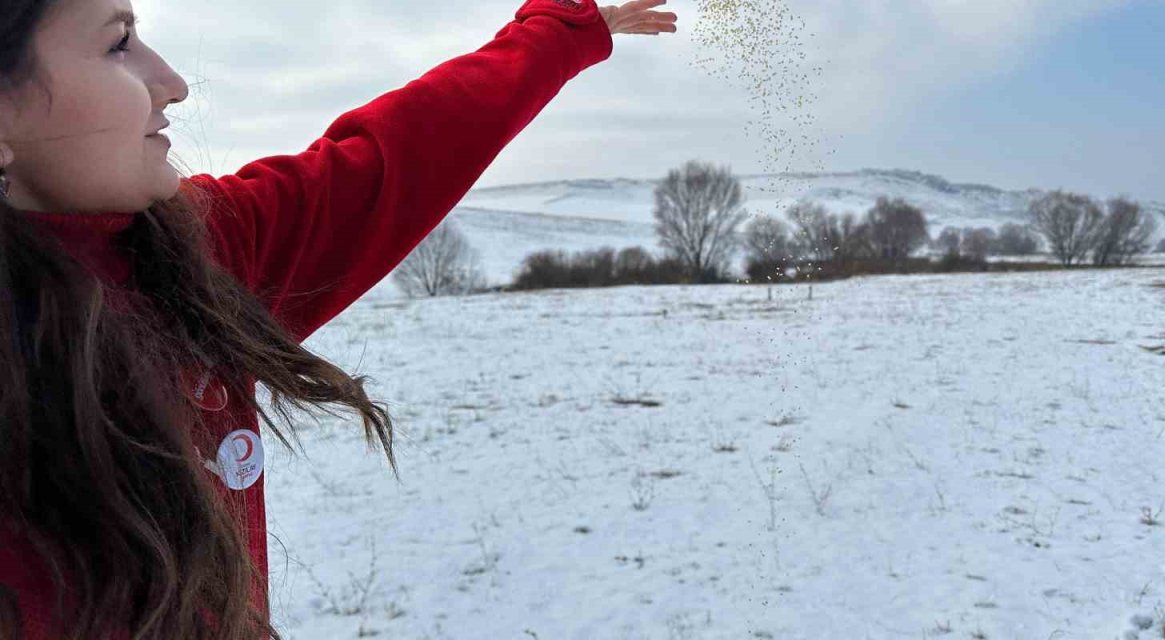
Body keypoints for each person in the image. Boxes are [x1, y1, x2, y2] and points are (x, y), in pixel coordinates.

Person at [0, 0, 677, 637]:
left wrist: (555, 30)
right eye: (118, 44)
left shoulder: (195, 253)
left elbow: (401, 153)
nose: (172, 84)